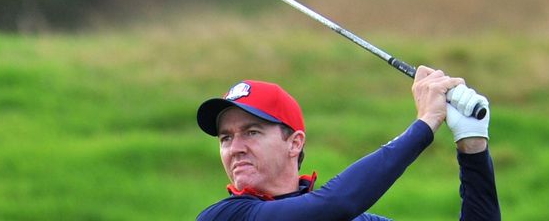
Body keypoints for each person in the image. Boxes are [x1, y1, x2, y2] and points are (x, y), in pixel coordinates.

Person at [195, 66, 500, 220]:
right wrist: (424, 125)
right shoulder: (227, 216)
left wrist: (472, 147)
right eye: (226, 138)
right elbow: (335, 203)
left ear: (295, 143)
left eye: (251, 132)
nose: (235, 148)